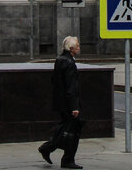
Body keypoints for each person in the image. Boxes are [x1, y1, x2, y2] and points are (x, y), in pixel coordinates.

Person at [38, 36, 82, 169]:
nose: (79, 48)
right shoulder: (69, 63)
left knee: (66, 128)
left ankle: (52, 150)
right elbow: (71, 86)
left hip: (61, 102)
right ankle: (63, 157)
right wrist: (74, 106)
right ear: (71, 49)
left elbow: (55, 81)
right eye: (78, 46)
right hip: (69, 103)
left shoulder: (59, 60)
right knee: (72, 131)